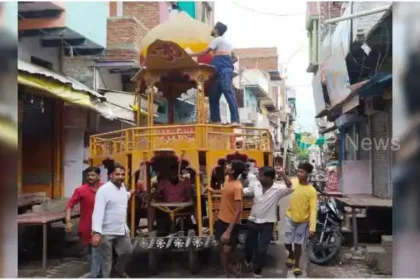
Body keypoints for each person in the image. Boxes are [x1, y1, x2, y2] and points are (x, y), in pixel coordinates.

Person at [243, 166, 293, 277]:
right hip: (253, 221)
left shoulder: (278, 189)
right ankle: (248, 260)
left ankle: (257, 270)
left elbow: (290, 187)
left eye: (261, 176)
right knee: (249, 246)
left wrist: (283, 174)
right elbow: (247, 191)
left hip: (267, 223)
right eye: (259, 175)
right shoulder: (256, 185)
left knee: (262, 248)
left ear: (270, 178)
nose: (259, 178)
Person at [190, 22, 240, 125]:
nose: (212, 30)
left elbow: (203, 52)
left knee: (228, 93)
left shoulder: (217, 40)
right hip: (219, 72)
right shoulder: (227, 43)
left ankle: (235, 120)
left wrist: (189, 54)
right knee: (213, 96)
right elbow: (235, 58)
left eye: (213, 28)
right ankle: (216, 120)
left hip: (224, 71)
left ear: (216, 30)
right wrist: (227, 62)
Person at [91, 163, 133, 278]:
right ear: (111, 175)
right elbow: (98, 212)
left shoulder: (122, 187)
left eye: (122, 174)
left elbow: (123, 196)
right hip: (106, 231)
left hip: (121, 229)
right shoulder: (103, 190)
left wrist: (131, 193)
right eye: (117, 174)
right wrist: (96, 232)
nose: (120, 176)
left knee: (127, 252)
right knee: (107, 259)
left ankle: (120, 269)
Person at [208, 160, 245, 277]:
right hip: (221, 219)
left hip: (230, 223)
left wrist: (229, 231)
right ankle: (226, 273)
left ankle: (234, 265)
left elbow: (238, 210)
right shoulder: (227, 180)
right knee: (221, 248)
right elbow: (225, 193)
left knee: (227, 250)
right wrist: (214, 191)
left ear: (233, 170)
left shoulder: (237, 187)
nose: (226, 166)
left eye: (229, 165)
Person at [66, 167, 103, 278]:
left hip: (103, 226)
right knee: (88, 251)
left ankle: (98, 271)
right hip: (86, 226)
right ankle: (96, 273)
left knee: (103, 250)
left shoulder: (105, 188)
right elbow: (69, 205)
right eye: (88, 175)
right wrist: (68, 222)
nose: (90, 177)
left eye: (92, 175)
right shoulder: (81, 190)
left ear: (98, 176)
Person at [283, 162, 317, 276]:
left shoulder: (312, 191)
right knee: (287, 243)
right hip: (290, 218)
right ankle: (290, 254)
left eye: (302, 172)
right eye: (298, 171)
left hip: (302, 222)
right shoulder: (294, 182)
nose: (299, 173)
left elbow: (313, 210)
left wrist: (312, 228)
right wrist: (282, 174)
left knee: (298, 244)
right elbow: (287, 184)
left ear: (308, 174)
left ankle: (297, 265)